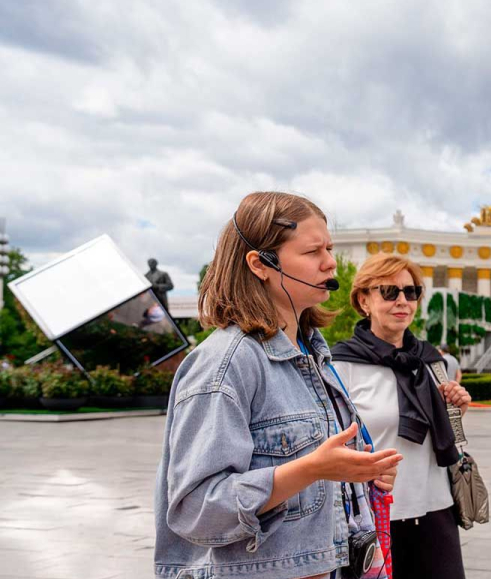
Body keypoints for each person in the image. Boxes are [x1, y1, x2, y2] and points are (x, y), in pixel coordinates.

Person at [154, 192, 400, 579]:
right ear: (260, 264)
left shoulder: (313, 351)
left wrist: (358, 473)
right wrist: (311, 470)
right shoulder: (226, 363)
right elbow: (195, 509)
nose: (330, 262)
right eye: (313, 251)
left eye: (329, 248)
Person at [331, 253, 473, 579]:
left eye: (411, 292)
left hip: (436, 510)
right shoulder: (341, 366)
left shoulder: (431, 361)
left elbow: (442, 436)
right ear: (364, 301)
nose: (402, 301)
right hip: (374, 515)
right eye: (389, 292)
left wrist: (456, 411)